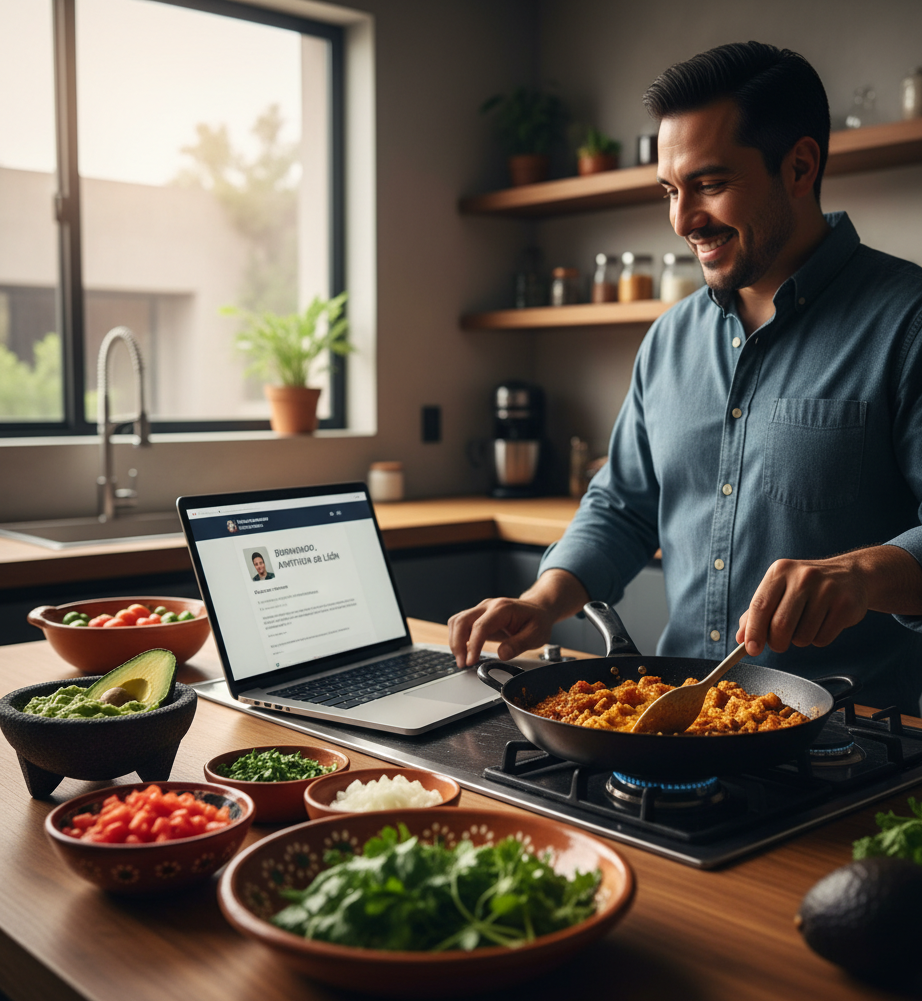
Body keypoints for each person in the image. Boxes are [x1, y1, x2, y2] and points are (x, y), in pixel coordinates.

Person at [449, 41, 922, 714]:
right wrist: (543, 599)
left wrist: (863, 574)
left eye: (709, 184)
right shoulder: (669, 339)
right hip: (674, 724)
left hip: (852, 743)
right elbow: (623, 504)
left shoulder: (908, 322)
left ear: (799, 165)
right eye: (671, 191)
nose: (682, 220)